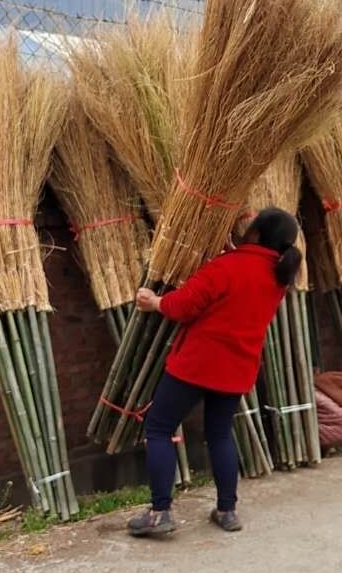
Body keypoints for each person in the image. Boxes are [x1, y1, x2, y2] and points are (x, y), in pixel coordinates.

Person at [126, 208, 302, 538]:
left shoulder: (225, 267)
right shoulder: (278, 277)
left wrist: (154, 302)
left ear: (256, 234)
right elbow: (248, 273)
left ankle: (159, 512)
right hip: (236, 369)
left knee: (159, 427)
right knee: (219, 434)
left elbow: (182, 306)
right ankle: (227, 509)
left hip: (196, 365)